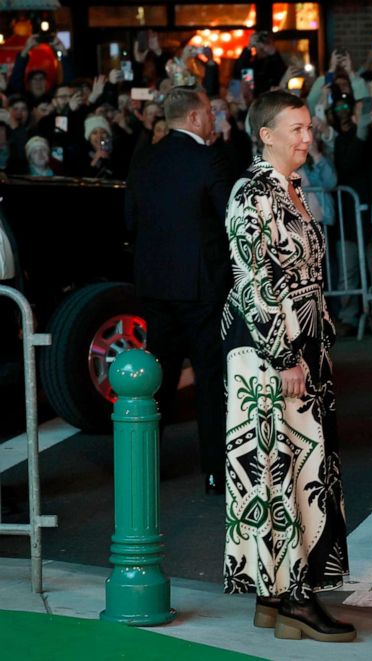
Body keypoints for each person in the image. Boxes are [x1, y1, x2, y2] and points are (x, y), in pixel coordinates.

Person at [222, 90, 354, 643]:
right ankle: (297, 598)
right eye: (295, 128)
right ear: (265, 134)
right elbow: (255, 281)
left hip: (300, 349)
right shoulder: (252, 191)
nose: (307, 137)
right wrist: (285, 355)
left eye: (308, 126)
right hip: (270, 353)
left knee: (297, 469)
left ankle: (274, 597)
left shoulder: (290, 189)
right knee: (285, 472)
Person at [124, 85, 232, 495]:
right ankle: (215, 473)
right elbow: (229, 219)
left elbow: (130, 220)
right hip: (202, 286)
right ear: (192, 117)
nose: (212, 120)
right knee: (209, 379)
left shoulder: (144, 159)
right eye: (208, 113)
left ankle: (143, 469)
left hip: (155, 284)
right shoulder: (207, 160)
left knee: (157, 380)